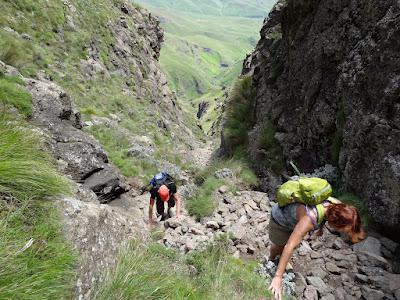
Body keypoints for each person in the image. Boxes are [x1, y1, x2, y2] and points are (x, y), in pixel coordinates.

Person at [268, 197, 365, 300]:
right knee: (280, 246)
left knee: (293, 243)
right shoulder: (311, 218)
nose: (342, 232)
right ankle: (271, 259)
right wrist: (278, 277)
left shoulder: (337, 206)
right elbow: (289, 246)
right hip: (280, 219)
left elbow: (351, 222)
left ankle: (282, 261)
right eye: (342, 230)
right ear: (336, 222)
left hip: (295, 220)